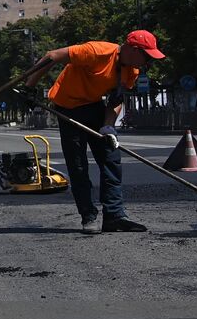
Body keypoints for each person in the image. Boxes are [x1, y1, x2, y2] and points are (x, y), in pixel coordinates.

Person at [43, 30, 165, 234]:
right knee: (78, 164)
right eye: (146, 56)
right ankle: (88, 216)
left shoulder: (131, 71)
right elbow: (51, 56)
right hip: (68, 107)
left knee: (111, 157)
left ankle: (114, 216)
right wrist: (29, 87)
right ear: (133, 50)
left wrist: (108, 127)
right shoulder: (96, 51)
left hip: (93, 106)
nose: (148, 62)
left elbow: (116, 100)